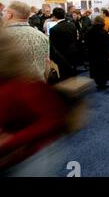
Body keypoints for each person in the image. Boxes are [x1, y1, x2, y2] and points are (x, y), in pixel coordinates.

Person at [0, 29, 67, 176]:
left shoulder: (23, 87)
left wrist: (9, 142)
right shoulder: (40, 35)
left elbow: (54, 119)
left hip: (27, 158)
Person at [2, 1, 50, 82]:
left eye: (4, 12)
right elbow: (47, 64)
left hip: (13, 89)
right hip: (38, 87)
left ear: (9, 15)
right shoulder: (42, 36)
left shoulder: (4, 37)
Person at [49, 7, 78, 80]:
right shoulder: (72, 25)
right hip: (73, 51)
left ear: (54, 16)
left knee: (64, 74)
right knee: (73, 71)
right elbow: (75, 38)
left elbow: (53, 44)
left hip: (61, 54)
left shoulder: (54, 29)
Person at [85, 16, 109, 89]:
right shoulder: (104, 32)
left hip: (92, 53)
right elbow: (106, 46)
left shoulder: (89, 31)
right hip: (102, 54)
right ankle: (102, 83)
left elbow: (86, 42)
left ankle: (98, 82)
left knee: (95, 68)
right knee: (103, 68)